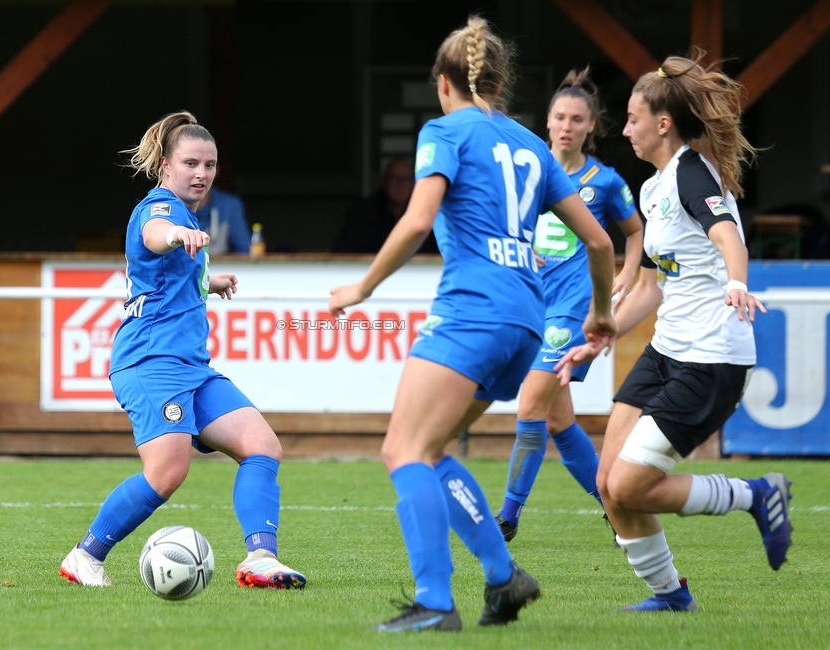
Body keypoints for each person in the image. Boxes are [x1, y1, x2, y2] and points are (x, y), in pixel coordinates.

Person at [328, 17, 616, 632]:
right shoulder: (533, 147)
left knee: (401, 449)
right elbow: (598, 241)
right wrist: (604, 315)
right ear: (498, 81)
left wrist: (362, 287)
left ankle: (435, 602)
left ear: (444, 82)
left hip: (473, 310)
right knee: (428, 452)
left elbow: (414, 221)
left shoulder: (445, 130)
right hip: (526, 322)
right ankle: (503, 578)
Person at [555, 55, 791, 612]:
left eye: (634, 119)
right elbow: (659, 286)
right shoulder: (655, 188)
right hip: (666, 350)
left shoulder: (691, 173)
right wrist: (605, 332)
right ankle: (670, 596)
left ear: (663, 124)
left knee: (631, 486)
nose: (626, 129)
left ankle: (755, 494)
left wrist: (737, 281)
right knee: (608, 483)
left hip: (711, 359)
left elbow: (731, 237)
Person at [60, 112, 306, 590]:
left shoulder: (187, 214)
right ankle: (85, 557)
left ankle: (260, 558)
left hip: (191, 367)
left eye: (210, 165)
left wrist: (207, 283)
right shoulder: (159, 207)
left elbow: (164, 274)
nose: (201, 173)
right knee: (167, 473)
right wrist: (177, 234)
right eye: (191, 163)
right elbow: (156, 236)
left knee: (262, 446)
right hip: (151, 363)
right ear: (167, 167)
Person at [496, 68, 644, 541]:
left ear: (591, 126)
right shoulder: (531, 170)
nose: (566, 125)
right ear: (547, 121)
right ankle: (612, 502)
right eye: (559, 116)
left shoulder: (604, 181)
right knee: (559, 420)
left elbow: (635, 231)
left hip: (573, 309)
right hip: (533, 304)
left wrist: (627, 272)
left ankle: (507, 518)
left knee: (530, 405)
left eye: (576, 119)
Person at [332, 157, 439, 254]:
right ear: (384, 181)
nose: (399, 184)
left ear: (414, 183)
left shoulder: (426, 213)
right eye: (394, 178)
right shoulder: (362, 213)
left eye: (405, 179)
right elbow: (344, 252)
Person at [194, 184, 251, 255]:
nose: (201, 175)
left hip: (218, 265)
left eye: (208, 171)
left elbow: (245, 251)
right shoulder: (176, 206)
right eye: (190, 171)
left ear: (216, 172)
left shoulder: (229, 205)